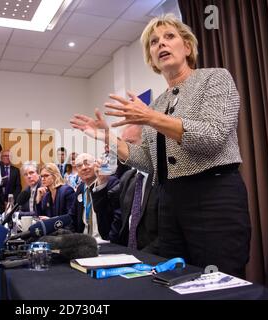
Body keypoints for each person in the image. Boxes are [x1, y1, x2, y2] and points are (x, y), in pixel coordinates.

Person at [70, 14, 251, 278]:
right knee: (171, 280)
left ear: (187, 47)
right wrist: (108, 137)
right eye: (154, 42)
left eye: (169, 37)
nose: (161, 44)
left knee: (218, 284)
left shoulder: (215, 79)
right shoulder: (156, 105)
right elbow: (150, 162)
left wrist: (150, 117)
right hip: (169, 202)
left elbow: (213, 135)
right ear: (152, 58)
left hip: (214, 197)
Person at [99, 125, 159, 253]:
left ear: (149, 144)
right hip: (126, 255)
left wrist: (138, 257)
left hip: (154, 259)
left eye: (130, 143)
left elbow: (166, 234)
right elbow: (114, 224)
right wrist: (102, 183)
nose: (124, 148)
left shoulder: (162, 178)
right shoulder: (128, 178)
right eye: (122, 143)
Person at [68, 153, 119, 241]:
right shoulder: (81, 188)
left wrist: (111, 240)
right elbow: (72, 216)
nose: (84, 168)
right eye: (79, 166)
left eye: (87, 163)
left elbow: (118, 216)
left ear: (96, 165)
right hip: (85, 241)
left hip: (104, 240)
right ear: (77, 171)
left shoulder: (111, 183)